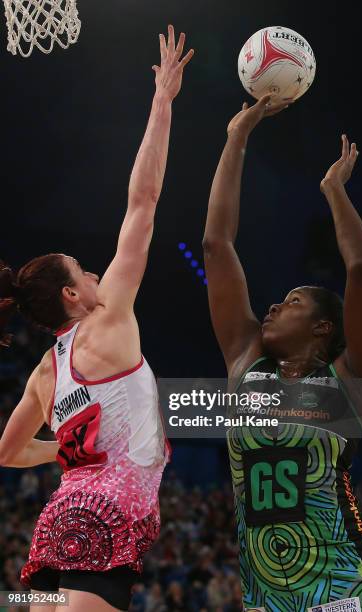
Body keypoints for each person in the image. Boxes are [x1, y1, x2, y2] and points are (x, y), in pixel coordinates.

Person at [0, 25, 193, 612]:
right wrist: (162, 103)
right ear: (72, 295)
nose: (94, 276)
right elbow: (144, 200)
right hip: (102, 520)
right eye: (83, 270)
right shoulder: (108, 318)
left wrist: (67, 452)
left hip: (65, 519)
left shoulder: (44, 371)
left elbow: (7, 452)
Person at [203, 96, 362, 611]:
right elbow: (216, 245)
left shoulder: (352, 379)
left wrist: (333, 190)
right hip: (264, 595)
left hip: (342, 585)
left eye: (292, 303)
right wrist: (236, 137)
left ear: (323, 326)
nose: (272, 305)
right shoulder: (246, 363)